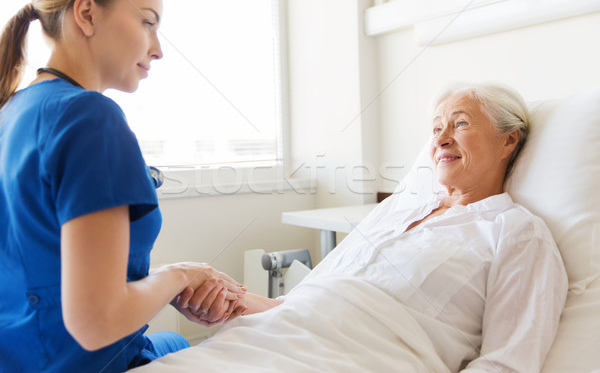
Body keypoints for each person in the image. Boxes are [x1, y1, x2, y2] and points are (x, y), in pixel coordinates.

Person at [162, 83, 568, 372]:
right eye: (436, 128)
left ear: (508, 141)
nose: (441, 138)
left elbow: (508, 362)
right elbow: (299, 305)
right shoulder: (395, 210)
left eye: (459, 124)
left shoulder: (515, 232)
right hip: (264, 343)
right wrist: (227, 307)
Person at [0, 0, 245, 372]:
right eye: (147, 22)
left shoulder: (13, 111)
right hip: (72, 362)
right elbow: (97, 323)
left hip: (18, 355)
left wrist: (170, 288)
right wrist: (178, 276)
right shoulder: (88, 117)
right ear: (86, 14)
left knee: (177, 339)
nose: (159, 49)